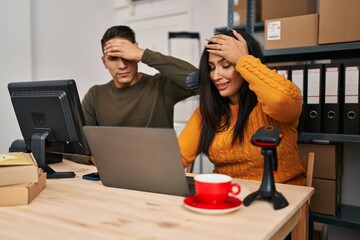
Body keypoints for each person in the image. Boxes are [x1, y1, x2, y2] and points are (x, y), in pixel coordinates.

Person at [178, 29, 307, 186]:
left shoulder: (272, 105)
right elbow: (178, 157)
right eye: (212, 67)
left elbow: (281, 99)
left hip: (281, 198)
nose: (215, 76)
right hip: (229, 198)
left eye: (226, 65)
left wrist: (243, 60)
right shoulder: (207, 111)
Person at [71, 25, 198, 165]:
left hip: (158, 170)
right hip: (114, 175)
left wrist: (144, 54)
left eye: (126, 55)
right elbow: (77, 145)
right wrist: (90, 159)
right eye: (113, 58)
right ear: (104, 62)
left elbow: (198, 80)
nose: (122, 65)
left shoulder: (160, 85)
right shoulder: (95, 95)